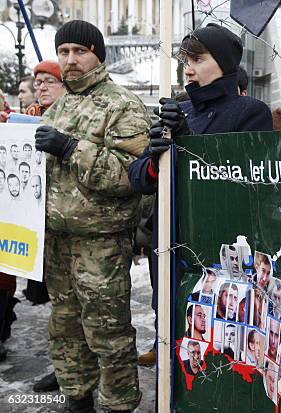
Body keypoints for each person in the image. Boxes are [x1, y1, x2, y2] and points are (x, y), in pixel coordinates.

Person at [128, 25, 273, 353]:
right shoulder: (181, 110)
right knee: (167, 329)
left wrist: (187, 140)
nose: (188, 68)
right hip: (167, 245)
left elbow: (239, 182)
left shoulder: (250, 112)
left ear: (223, 64)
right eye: (184, 60)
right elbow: (136, 177)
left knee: (213, 340)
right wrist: (155, 159)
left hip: (213, 252)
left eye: (198, 59)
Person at [33, 20, 151, 413]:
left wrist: (70, 148)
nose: (71, 60)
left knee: (107, 331)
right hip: (57, 240)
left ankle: (118, 404)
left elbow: (130, 175)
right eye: (64, 52)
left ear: (97, 54)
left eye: (79, 51)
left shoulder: (123, 104)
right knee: (65, 327)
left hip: (100, 242)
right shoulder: (59, 105)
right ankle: (77, 396)